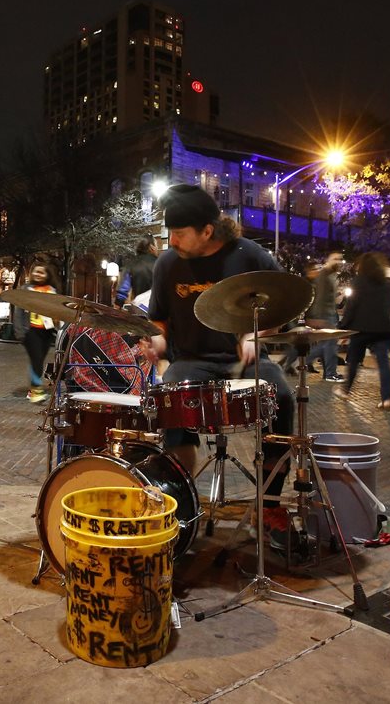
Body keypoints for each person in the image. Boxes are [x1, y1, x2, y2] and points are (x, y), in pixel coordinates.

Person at [144, 184, 296, 547]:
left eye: (179, 234)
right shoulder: (167, 264)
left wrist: (257, 335)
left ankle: (270, 502)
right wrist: (157, 342)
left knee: (285, 399)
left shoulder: (249, 255)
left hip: (244, 361)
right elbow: (159, 320)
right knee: (170, 396)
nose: (172, 241)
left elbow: (283, 303)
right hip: (191, 361)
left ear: (207, 231)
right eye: (170, 233)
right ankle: (181, 500)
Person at [334, 253, 390, 410]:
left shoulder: (358, 282)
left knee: (354, 361)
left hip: (362, 328)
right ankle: (386, 399)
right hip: (383, 329)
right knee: (383, 364)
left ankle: (345, 391)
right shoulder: (388, 284)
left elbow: (352, 307)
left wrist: (343, 325)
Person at [289, 252, 344, 382]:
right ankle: (329, 373)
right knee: (330, 344)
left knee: (327, 344)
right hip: (325, 315)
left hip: (328, 314)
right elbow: (320, 298)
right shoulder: (324, 275)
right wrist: (318, 318)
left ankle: (325, 371)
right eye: (335, 259)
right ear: (328, 260)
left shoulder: (331, 275)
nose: (338, 261)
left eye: (340, 259)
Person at [12, 262, 61, 403]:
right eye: (36, 272)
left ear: (47, 275)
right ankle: (35, 391)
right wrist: (20, 332)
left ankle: (32, 389)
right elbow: (19, 311)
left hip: (46, 331)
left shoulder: (51, 290)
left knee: (39, 361)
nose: (38, 275)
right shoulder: (26, 289)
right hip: (30, 330)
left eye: (42, 272)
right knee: (37, 359)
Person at [114, 234, 158, 306]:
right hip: (159, 311)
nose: (157, 249)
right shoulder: (161, 264)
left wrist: (117, 305)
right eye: (156, 245)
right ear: (151, 247)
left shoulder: (130, 265)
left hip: (139, 308)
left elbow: (122, 291)